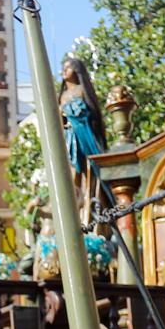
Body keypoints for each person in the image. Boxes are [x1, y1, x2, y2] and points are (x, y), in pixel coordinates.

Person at [57, 57, 108, 223]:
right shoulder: (62, 96)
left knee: (88, 173)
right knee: (73, 174)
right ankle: (75, 210)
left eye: (68, 67)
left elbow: (88, 112)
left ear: (76, 70)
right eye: (63, 68)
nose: (64, 71)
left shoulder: (81, 90)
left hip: (84, 135)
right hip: (70, 138)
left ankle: (89, 205)